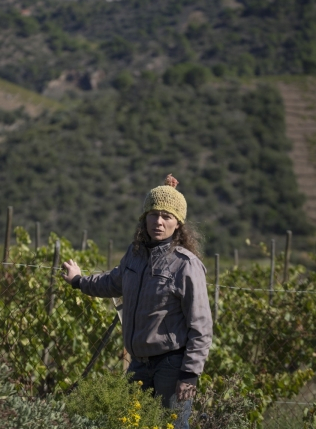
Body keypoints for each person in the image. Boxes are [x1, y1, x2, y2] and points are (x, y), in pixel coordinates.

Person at [62, 174, 213, 410]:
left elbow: (201, 325)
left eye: (167, 216)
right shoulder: (135, 255)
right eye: (153, 214)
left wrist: (190, 374)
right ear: (144, 219)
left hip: (170, 367)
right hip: (138, 366)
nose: (159, 222)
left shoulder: (186, 265)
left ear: (178, 223)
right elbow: (112, 282)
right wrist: (79, 281)